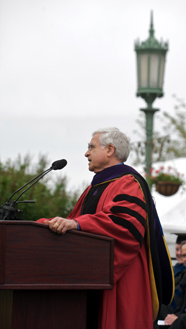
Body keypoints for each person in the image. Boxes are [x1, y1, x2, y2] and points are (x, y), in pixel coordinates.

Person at [37, 127, 174, 329]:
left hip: (122, 274)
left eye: (91, 147)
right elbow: (74, 223)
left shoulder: (129, 182)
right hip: (94, 274)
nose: (86, 153)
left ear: (110, 150)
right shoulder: (94, 188)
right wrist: (47, 225)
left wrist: (78, 224)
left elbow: (124, 224)